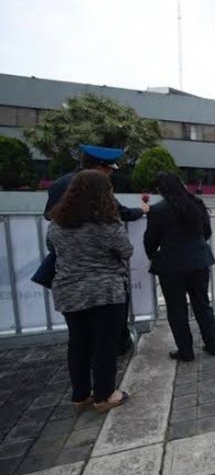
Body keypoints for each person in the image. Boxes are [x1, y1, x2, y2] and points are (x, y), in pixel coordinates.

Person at [44, 144, 148, 357]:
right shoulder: (98, 195)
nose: (110, 174)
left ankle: (81, 389)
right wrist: (143, 210)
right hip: (103, 286)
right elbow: (124, 238)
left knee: (78, 341)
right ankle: (107, 383)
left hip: (68, 279)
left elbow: (49, 220)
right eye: (110, 169)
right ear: (100, 168)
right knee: (106, 340)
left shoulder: (60, 187)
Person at [46, 170, 132, 413]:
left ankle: (80, 395)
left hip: (69, 291)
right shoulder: (105, 225)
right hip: (104, 292)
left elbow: (52, 248)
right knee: (105, 344)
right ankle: (105, 395)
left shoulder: (57, 225)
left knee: (78, 343)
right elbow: (125, 250)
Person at [144, 172, 215, 361]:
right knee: (202, 304)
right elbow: (207, 232)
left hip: (172, 266)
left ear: (160, 190)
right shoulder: (196, 203)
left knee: (177, 309)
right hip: (199, 261)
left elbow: (150, 241)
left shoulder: (159, 210)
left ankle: (186, 351)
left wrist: (154, 256)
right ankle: (213, 344)